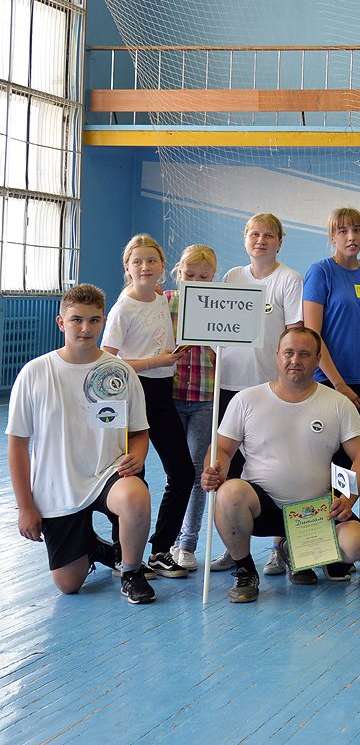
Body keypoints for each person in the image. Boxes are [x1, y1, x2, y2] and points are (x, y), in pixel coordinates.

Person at [201, 326, 360, 602]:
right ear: (277, 355)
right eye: (289, 353)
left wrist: (348, 498)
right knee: (229, 493)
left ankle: (297, 552)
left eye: (305, 354)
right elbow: (221, 448)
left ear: (318, 360)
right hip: (263, 508)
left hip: (317, 512)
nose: (295, 360)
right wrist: (216, 467)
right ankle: (245, 570)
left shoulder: (338, 404)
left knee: (355, 545)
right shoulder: (246, 400)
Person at [7, 284, 154, 603]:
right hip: (57, 486)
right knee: (68, 584)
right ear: (61, 323)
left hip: (108, 475)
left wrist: (138, 456)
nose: (85, 328)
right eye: (76, 320)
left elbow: (139, 432)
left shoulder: (120, 372)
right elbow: (17, 444)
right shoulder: (35, 373)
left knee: (135, 497)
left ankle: (131, 571)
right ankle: (96, 548)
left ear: (103, 322)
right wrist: (26, 507)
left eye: (93, 320)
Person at [209, 212, 304, 573]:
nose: (260, 241)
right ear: (245, 239)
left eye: (268, 235)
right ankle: (234, 547)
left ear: (280, 241)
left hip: (270, 391)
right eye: (254, 234)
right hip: (230, 387)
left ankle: (279, 547)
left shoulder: (289, 279)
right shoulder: (232, 277)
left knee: (276, 469)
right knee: (230, 470)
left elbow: (295, 333)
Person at [101, 233, 193, 579]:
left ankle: (160, 550)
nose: (145, 266)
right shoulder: (122, 308)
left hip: (161, 394)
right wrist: (155, 362)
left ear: (163, 266)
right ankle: (124, 554)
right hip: (130, 393)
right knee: (130, 475)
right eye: (137, 261)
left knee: (182, 472)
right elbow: (108, 361)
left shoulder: (160, 298)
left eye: (151, 260)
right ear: (127, 267)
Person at [301, 208, 360, 528]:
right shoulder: (320, 272)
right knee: (334, 462)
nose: (351, 237)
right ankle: (331, 531)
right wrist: (340, 385)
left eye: (356, 230)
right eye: (343, 231)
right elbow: (312, 335)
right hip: (330, 385)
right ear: (332, 237)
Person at [165, 244, 218, 571]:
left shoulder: (220, 306)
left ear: (213, 277)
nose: (196, 281)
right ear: (179, 273)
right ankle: (166, 542)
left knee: (198, 471)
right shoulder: (165, 302)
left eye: (204, 276)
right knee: (176, 473)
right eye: (190, 274)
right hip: (170, 396)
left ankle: (186, 543)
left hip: (204, 397)